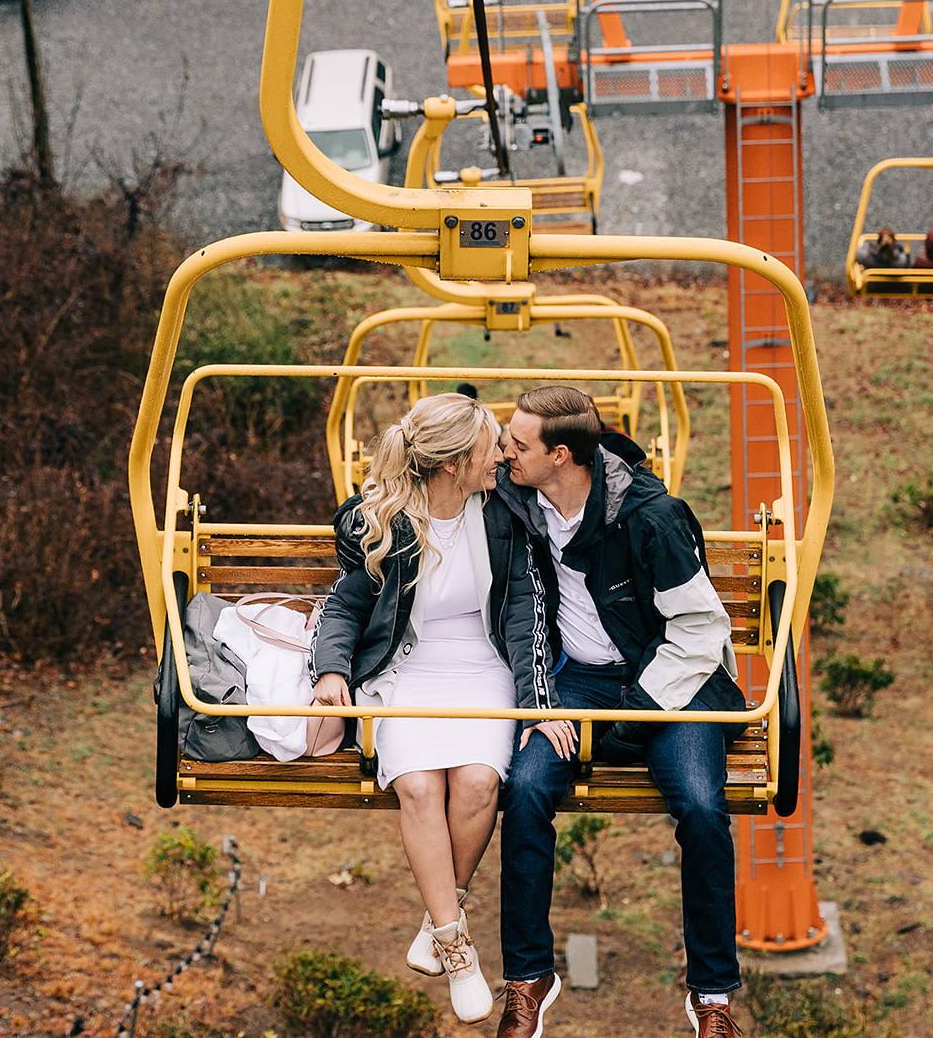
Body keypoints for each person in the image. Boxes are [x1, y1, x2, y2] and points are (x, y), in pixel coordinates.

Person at [493, 386, 746, 1038]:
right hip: (579, 680)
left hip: (667, 680)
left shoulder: (651, 517)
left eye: (516, 443)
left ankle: (712, 995)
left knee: (701, 806)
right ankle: (527, 977)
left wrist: (634, 715)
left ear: (560, 455)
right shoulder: (515, 499)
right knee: (525, 790)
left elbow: (698, 629)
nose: (503, 451)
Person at [309, 392, 553, 1027]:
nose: (502, 456)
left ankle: (438, 916)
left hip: (481, 664)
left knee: (477, 781)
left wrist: (534, 702)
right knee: (417, 786)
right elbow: (345, 605)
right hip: (409, 666)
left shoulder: (503, 511)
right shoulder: (383, 520)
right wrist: (332, 669)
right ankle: (458, 950)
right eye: (490, 448)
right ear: (454, 464)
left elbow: (523, 612)